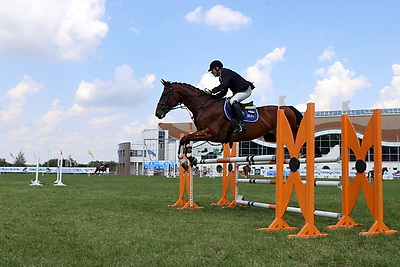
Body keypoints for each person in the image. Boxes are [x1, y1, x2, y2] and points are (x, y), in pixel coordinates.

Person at [205, 60, 254, 133]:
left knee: (232, 101)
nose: (212, 72)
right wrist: (214, 97)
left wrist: (212, 91)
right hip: (240, 91)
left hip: (245, 90)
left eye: (212, 70)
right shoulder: (221, 77)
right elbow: (224, 91)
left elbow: (223, 85)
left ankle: (241, 124)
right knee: (228, 101)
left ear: (217, 68)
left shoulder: (225, 72)